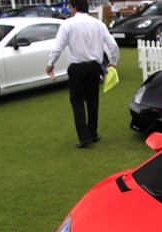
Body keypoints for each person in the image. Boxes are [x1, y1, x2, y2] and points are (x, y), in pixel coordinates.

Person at [47, 0, 120, 148]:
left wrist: (50, 65)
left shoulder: (67, 24)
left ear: (74, 7)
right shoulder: (98, 24)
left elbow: (57, 48)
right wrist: (113, 61)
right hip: (94, 67)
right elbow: (112, 44)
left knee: (77, 102)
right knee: (93, 101)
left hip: (77, 68)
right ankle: (92, 134)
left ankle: (84, 137)